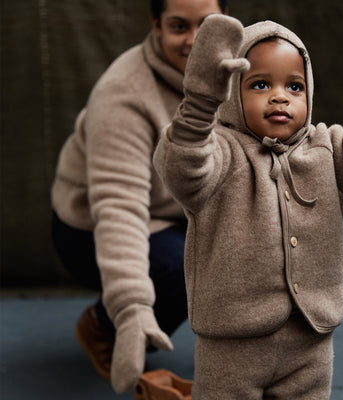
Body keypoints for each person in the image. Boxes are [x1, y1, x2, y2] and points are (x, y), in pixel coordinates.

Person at [153, 14, 343, 399]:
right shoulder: (220, 152)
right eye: (261, 84)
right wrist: (199, 106)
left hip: (310, 343)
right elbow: (182, 166)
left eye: (295, 86)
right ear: (233, 93)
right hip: (232, 346)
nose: (280, 95)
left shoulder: (329, 152)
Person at [51, 0, 227, 394]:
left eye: (207, 25)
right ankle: (103, 326)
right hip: (94, 226)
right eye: (179, 26)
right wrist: (130, 307)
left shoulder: (241, 71)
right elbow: (119, 208)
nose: (195, 40)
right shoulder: (123, 93)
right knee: (190, 270)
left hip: (179, 210)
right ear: (156, 25)